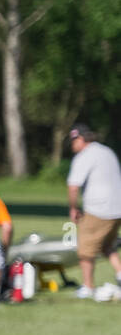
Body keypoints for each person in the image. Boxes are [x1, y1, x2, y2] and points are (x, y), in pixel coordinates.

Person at [65, 125, 121, 300]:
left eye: (74, 141)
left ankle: (87, 286)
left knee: (85, 249)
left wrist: (73, 208)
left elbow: (73, 186)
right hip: (117, 209)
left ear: (81, 139)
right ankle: (120, 273)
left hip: (98, 209)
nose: (72, 145)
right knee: (106, 246)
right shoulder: (107, 151)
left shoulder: (85, 156)